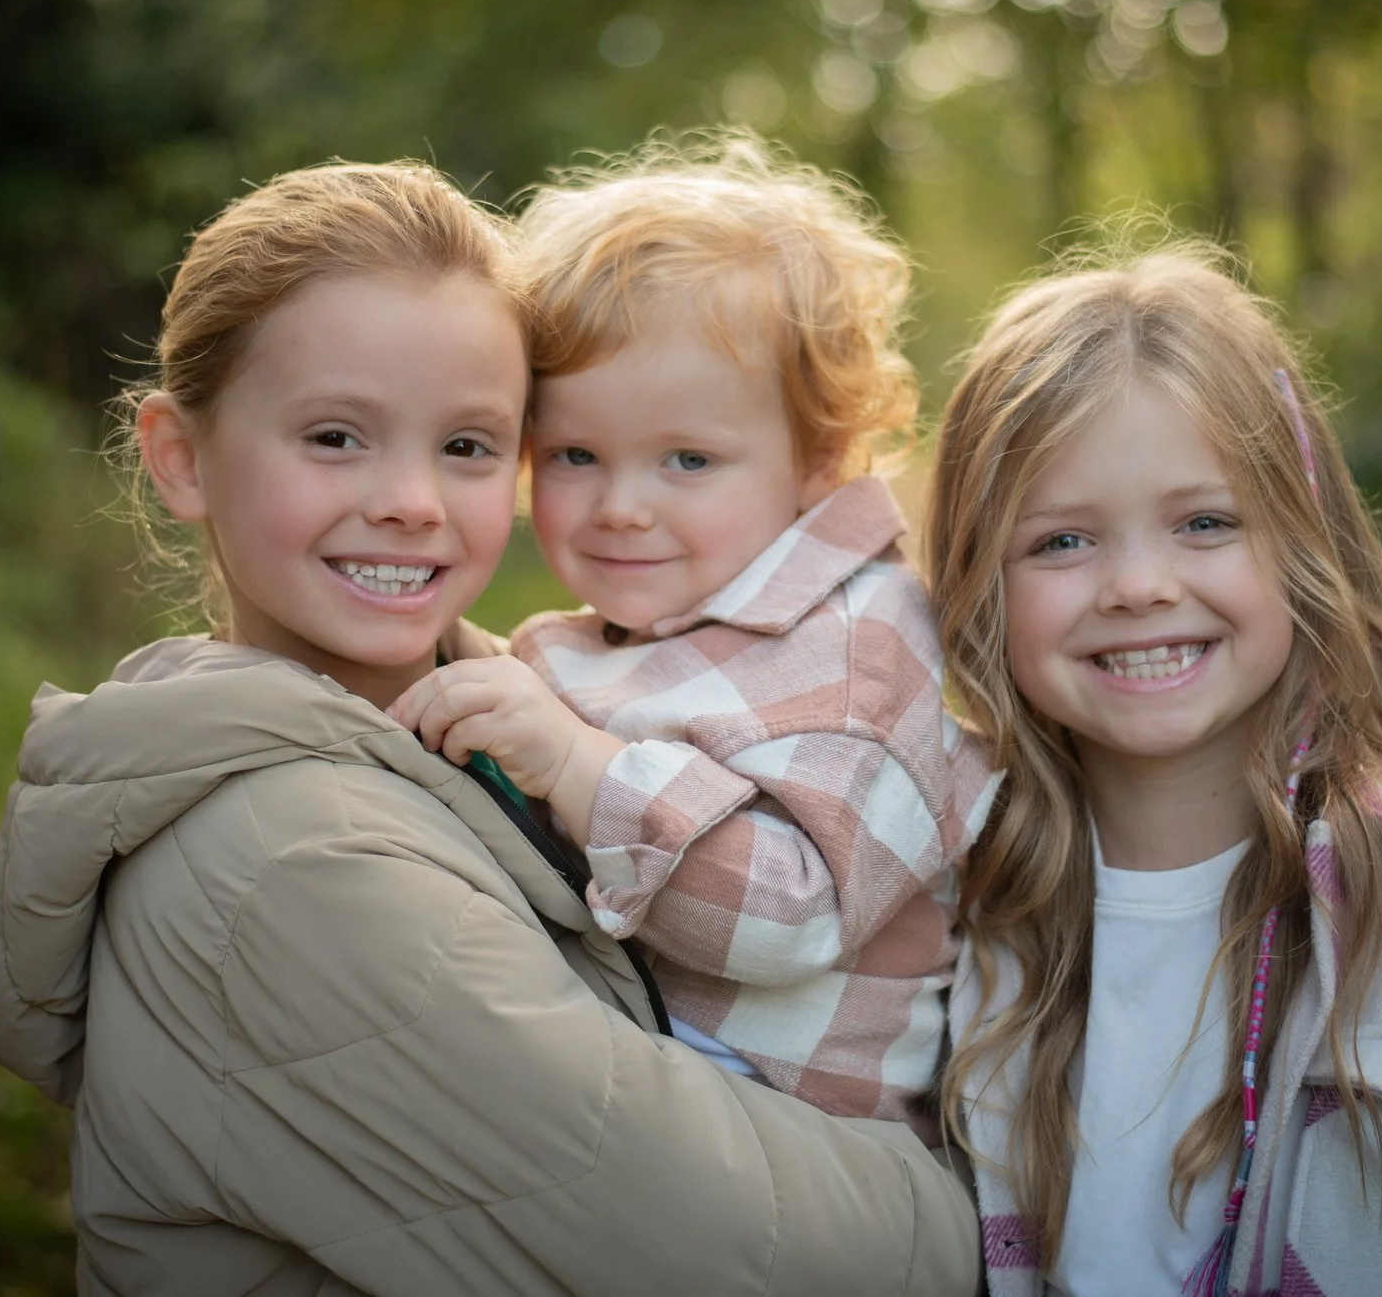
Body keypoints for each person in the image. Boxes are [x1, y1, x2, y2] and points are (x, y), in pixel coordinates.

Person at [0, 161, 979, 1297]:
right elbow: (773, 1257)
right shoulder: (288, 859)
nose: (413, 497)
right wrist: (978, 1204)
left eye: (465, 444)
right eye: (336, 436)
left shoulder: (512, 712)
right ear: (181, 457)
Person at [921, 246, 1382, 1296]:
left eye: (1204, 522)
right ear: (975, 583)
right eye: (1060, 539)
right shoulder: (925, 919)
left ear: (1302, 547)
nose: (1137, 584)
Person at [392, 135, 1000, 1133]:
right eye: (576, 453)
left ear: (822, 455)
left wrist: (578, 763)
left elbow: (787, 915)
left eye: (685, 459)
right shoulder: (617, 635)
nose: (622, 506)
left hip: (801, 1141)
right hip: (638, 1095)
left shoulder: (860, 648)